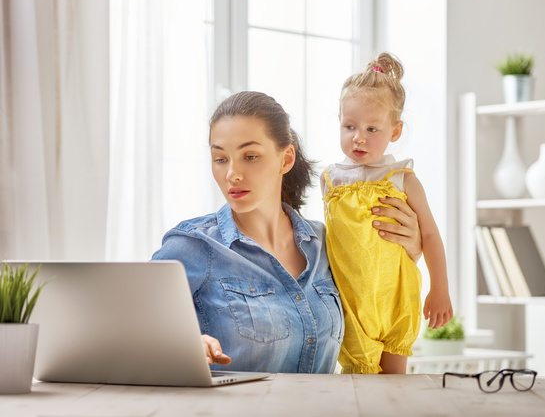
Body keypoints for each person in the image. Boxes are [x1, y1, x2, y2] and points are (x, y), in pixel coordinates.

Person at [152, 91, 423, 373]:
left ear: (286, 159)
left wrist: (409, 254)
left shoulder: (325, 246)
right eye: (220, 159)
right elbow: (124, 329)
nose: (232, 173)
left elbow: (378, 309)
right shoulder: (194, 246)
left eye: (250, 156)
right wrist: (183, 345)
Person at [321, 52, 452, 375]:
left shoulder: (402, 179)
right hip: (352, 305)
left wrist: (440, 290)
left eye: (372, 129)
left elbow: (431, 235)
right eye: (349, 126)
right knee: (358, 385)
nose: (358, 137)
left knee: (395, 389)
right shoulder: (330, 181)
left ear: (395, 132)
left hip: (396, 299)